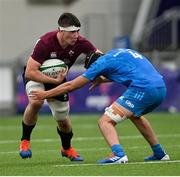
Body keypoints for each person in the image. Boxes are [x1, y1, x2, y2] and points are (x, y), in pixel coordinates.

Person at [30, 48, 170, 164]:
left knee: (105, 121)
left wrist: (45, 94)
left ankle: (118, 154)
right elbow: (126, 70)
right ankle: (159, 153)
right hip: (160, 88)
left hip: (143, 89)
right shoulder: (119, 52)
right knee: (135, 115)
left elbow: (71, 85)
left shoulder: (100, 63)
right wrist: (103, 80)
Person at [19, 12, 102, 161]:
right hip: (37, 76)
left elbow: (98, 56)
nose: (76, 35)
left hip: (58, 79)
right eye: (72, 32)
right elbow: (30, 73)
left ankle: (67, 148)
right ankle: (25, 141)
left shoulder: (81, 42)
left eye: (78, 31)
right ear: (61, 31)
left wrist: (100, 71)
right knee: (36, 102)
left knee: (62, 119)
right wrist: (54, 81)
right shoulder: (46, 42)